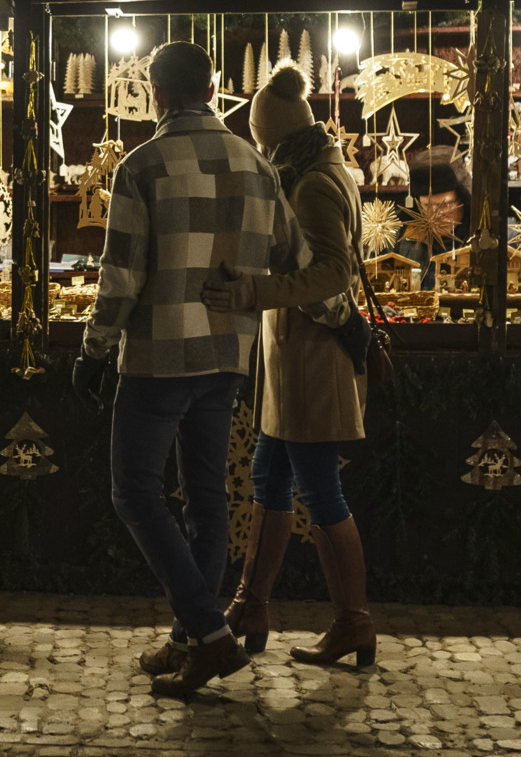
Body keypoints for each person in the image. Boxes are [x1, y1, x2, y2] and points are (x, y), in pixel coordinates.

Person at [73, 40, 294, 698]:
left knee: (135, 491)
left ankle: (210, 632)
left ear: (157, 92)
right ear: (213, 85)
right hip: (227, 353)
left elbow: (121, 278)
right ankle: (189, 641)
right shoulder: (257, 166)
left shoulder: (142, 166)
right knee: (207, 502)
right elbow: (294, 255)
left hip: (160, 354)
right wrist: (249, 295)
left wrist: (92, 350)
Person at [201, 62, 377, 669]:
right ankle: (252, 604)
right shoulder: (314, 168)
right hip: (294, 357)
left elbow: (332, 274)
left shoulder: (311, 184)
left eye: (256, 137)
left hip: (314, 359)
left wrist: (253, 291)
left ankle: (353, 622)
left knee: (319, 489)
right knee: (268, 477)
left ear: (268, 136)